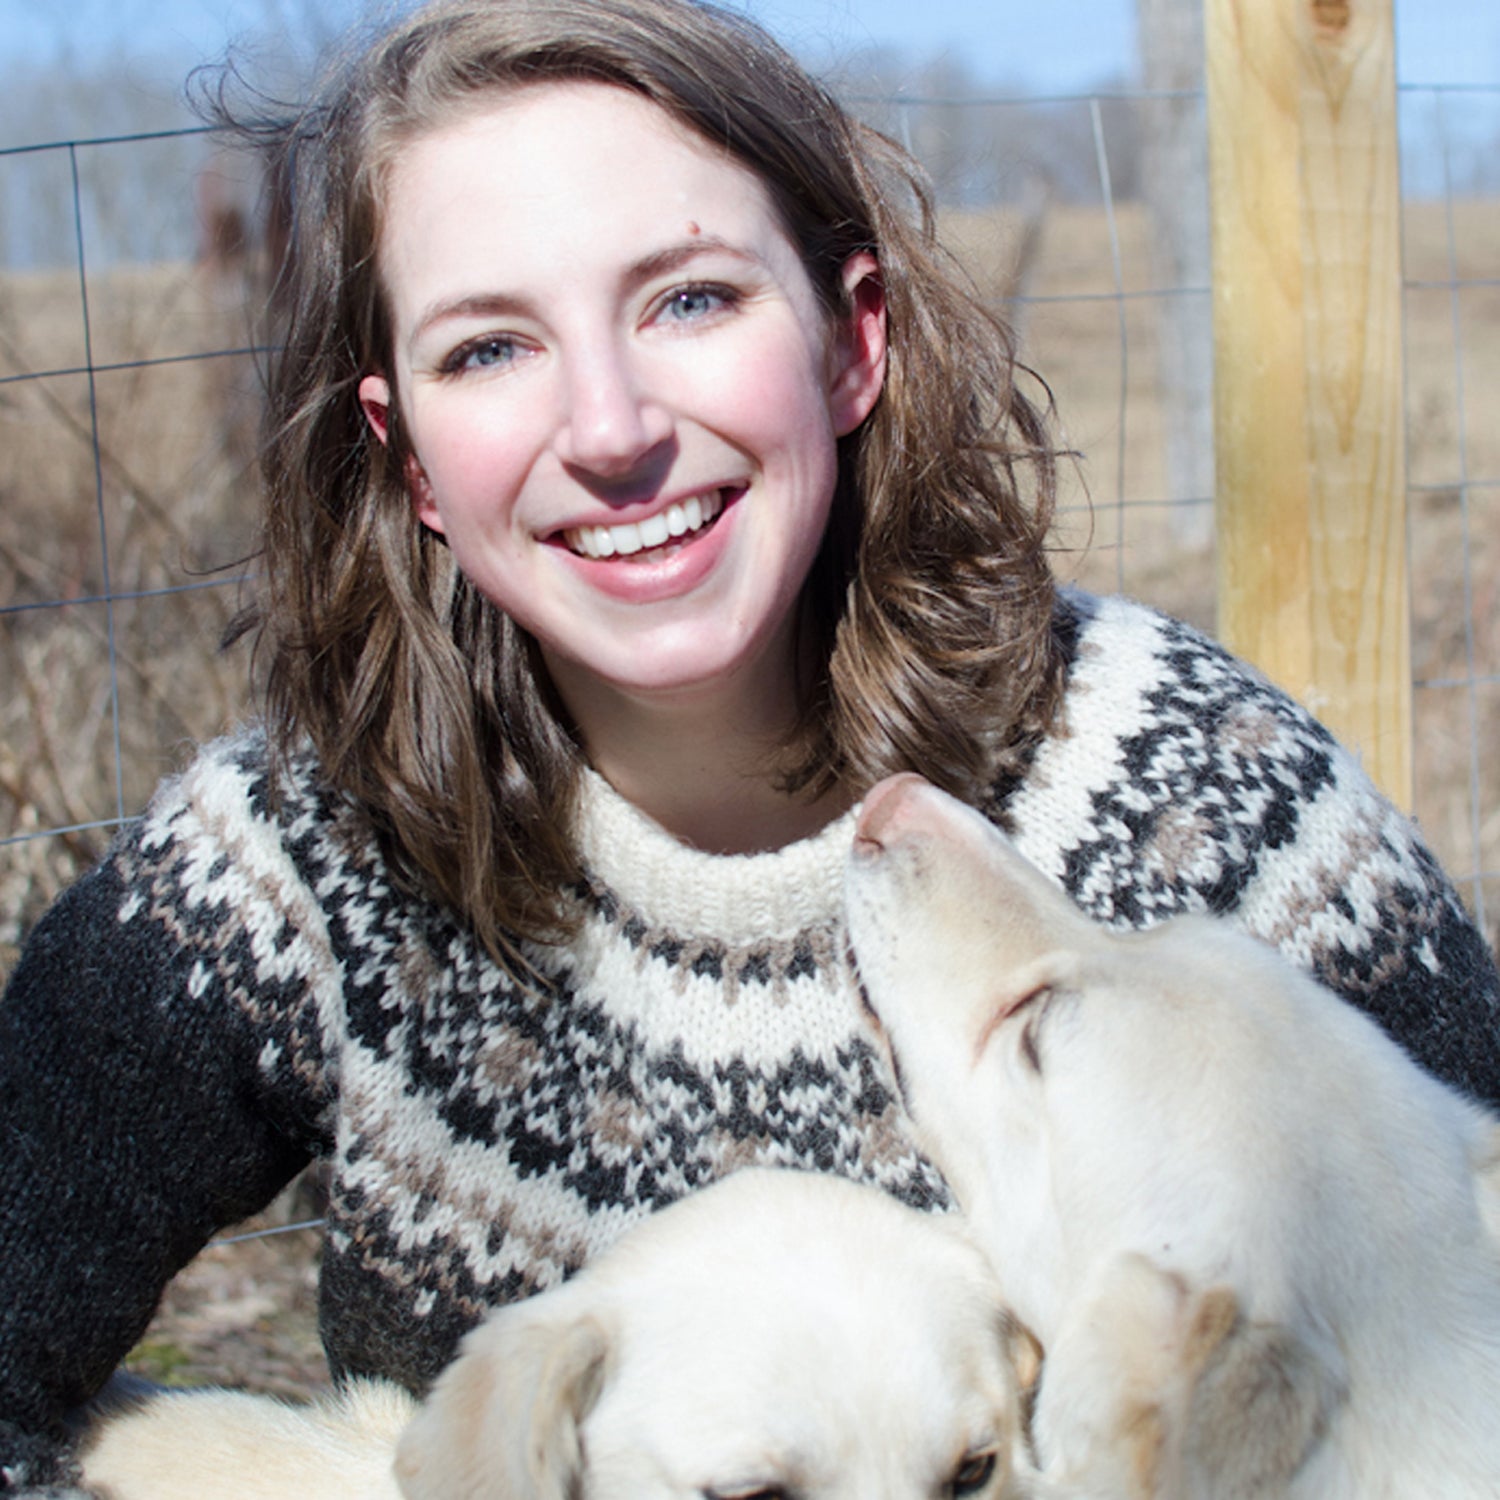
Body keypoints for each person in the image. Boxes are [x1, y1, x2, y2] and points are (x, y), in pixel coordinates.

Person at [2, 0, 1496, 1488]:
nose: (606, 426)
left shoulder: (1193, 792)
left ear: (852, 343)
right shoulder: (302, 865)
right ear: (412, 465)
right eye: (490, 348)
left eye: (690, 301)